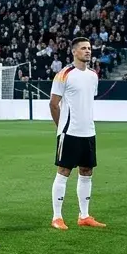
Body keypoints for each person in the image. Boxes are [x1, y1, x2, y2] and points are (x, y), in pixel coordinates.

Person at [50, 37, 105, 230]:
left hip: (88, 131)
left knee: (87, 171)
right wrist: (61, 127)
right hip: (69, 132)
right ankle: (57, 217)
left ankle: (84, 215)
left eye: (89, 48)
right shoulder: (64, 74)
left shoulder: (93, 75)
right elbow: (53, 104)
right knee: (64, 171)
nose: (88, 51)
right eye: (83, 48)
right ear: (74, 51)